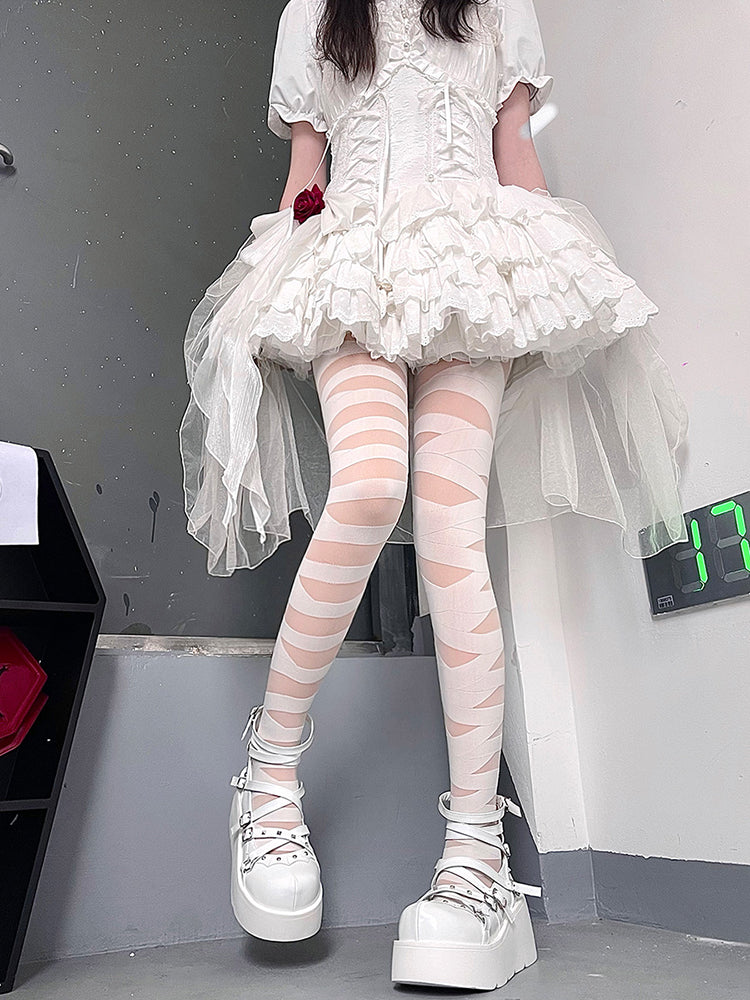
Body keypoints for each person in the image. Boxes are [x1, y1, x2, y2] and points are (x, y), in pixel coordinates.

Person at [178, 0, 689, 990]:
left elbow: (514, 157)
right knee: (371, 484)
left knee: (453, 533)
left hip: (466, 259)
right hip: (355, 257)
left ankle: (475, 852)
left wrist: (554, 270)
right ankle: (269, 776)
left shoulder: (498, 7)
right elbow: (307, 175)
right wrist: (281, 272)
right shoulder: (314, 13)